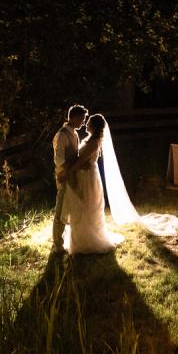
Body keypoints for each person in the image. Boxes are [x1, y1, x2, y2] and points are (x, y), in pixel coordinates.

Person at [58, 114, 125, 253]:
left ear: (94, 126)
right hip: (84, 175)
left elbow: (82, 160)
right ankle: (78, 239)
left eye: (88, 122)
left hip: (88, 177)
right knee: (80, 206)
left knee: (86, 207)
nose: (85, 124)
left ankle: (87, 241)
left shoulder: (94, 142)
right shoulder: (90, 139)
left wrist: (68, 172)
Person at [51, 104, 88, 253]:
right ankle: (57, 244)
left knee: (71, 207)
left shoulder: (74, 133)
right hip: (64, 175)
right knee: (60, 209)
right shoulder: (61, 135)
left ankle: (69, 238)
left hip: (72, 175)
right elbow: (59, 159)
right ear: (73, 117)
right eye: (82, 119)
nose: (83, 122)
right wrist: (69, 170)